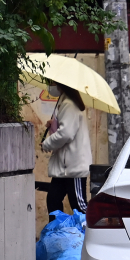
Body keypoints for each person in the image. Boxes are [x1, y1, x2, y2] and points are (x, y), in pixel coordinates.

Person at [40, 81, 92, 215]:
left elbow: (66, 133)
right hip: (64, 167)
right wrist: (53, 126)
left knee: (79, 207)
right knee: (53, 200)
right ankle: (56, 233)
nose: (50, 86)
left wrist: (47, 143)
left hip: (72, 167)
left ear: (61, 85)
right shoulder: (66, 103)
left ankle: (94, 233)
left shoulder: (69, 104)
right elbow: (67, 130)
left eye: (52, 82)